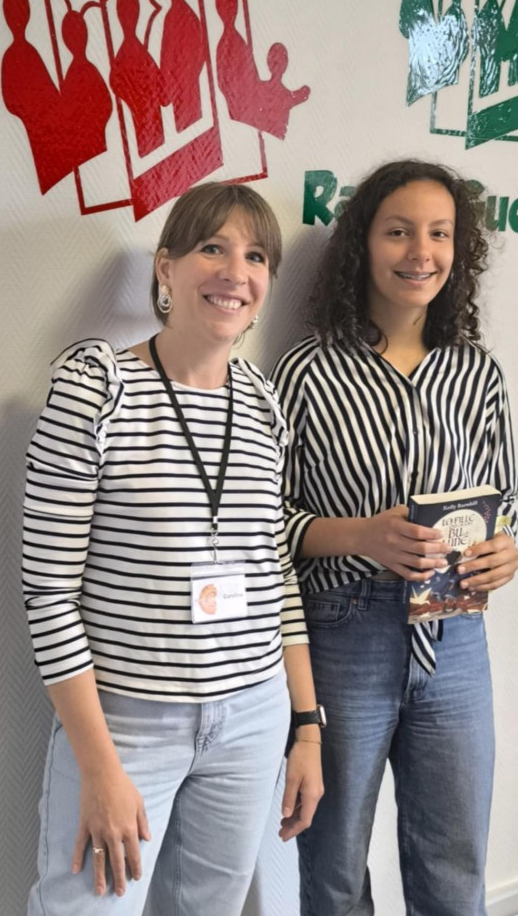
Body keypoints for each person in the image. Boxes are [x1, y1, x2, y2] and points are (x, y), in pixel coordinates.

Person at [23, 182, 324, 915]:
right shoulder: (97, 390)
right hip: (127, 724)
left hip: (252, 715)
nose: (235, 273)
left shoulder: (265, 404)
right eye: (212, 248)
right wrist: (99, 767)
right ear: (166, 267)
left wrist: (306, 726)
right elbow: (49, 593)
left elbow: (276, 572)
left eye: (256, 256)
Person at [271, 159, 518, 916]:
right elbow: (266, 527)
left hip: (456, 636)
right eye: (399, 232)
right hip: (343, 633)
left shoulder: (477, 373)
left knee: (455, 858)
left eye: (440, 234)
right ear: (363, 243)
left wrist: (503, 552)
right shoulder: (307, 372)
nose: (421, 252)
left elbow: (505, 503)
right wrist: (361, 535)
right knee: (334, 864)